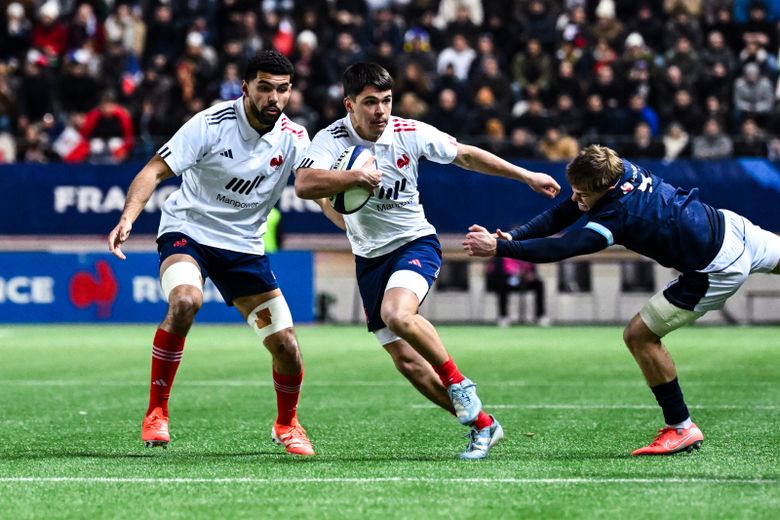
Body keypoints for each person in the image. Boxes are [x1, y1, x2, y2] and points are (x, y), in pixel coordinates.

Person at [294, 62, 560, 459]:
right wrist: (353, 183)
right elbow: (304, 184)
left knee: (398, 314)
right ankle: (484, 426)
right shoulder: (331, 139)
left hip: (414, 243)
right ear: (350, 105)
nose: (380, 111)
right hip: (369, 258)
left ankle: (459, 382)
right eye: (370, 103)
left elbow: (467, 156)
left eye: (386, 101)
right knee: (409, 363)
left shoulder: (410, 133)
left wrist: (526, 176)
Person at [463, 144, 780, 455]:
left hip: (715, 267)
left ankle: (681, 426)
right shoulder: (618, 166)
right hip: (730, 226)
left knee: (639, 336)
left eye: (583, 193)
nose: (575, 198)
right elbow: (568, 210)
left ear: (607, 187)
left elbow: (562, 248)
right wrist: (514, 236)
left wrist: (499, 249)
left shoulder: (619, 214)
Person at [108, 50, 338, 456]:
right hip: (188, 231)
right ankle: (156, 412)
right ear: (246, 87)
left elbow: (318, 193)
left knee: (286, 347)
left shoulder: (294, 137)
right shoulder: (210, 124)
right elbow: (153, 171)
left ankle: (287, 423)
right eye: (265, 87)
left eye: (283, 90)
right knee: (185, 300)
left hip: (243, 248)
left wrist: (352, 227)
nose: (275, 98)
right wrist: (128, 218)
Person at [485, 257, 548, 327]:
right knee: (502, 285)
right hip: (506, 281)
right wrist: (512, 275)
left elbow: (533, 271)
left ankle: (540, 316)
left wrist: (530, 275)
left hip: (524, 281)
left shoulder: (526, 253)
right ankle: (503, 316)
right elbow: (497, 273)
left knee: (539, 283)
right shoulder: (501, 255)